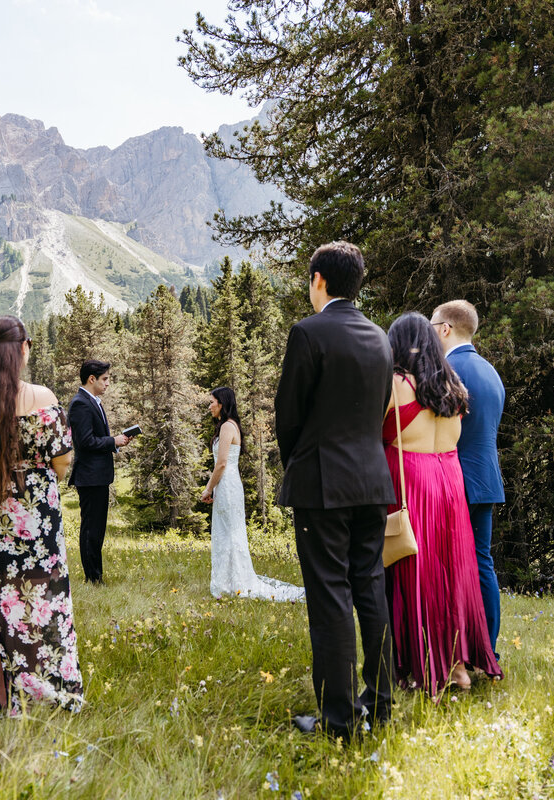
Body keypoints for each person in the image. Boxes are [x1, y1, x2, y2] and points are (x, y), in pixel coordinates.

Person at [275, 241, 396, 739]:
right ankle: (381, 702)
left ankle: (339, 719)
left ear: (319, 280)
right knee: (371, 588)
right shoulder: (380, 337)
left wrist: (298, 466)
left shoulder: (308, 333)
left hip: (323, 483)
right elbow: (380, 407)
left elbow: (289, 415)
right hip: (372, 481)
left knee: (330, 597)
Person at [0, 315, 82, 714]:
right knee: (37, 592)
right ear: (22, 349)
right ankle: (40, 685)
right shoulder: (41, 397)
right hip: (30, 511)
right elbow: (62, 460)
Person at [383, 312, 503, 695]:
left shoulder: (398, 384)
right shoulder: (453, 386)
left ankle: (418, 666)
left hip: (413, 481)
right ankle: (457, 667)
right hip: (450, 483)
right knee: (452, 576)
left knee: (415, 575)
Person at [431, 300, 505, 657]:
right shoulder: (491, 372)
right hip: (487, 479)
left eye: (432, 327)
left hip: (455, 479)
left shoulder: (446, 370)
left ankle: (456, 649)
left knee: (447, 567)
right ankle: (487, 649)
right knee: (482, 564)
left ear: (445, 328)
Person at [203, 387, 304, 602]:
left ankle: (235, 582)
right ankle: (230, 581)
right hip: (229, 483)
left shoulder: (227, 427)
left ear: (222, 403)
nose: (209, 406)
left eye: (212, 402)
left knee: (230, 533)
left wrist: (208, 488)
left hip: (226, 483)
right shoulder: (230, 425)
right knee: (228, 532)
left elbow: (221, 463)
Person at [66, 360, 130, 584]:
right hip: (89, 476)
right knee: (91, 529)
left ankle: (95, 576)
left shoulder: (93, 402)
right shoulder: (80, 403)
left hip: (97, 476)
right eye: (105, 379)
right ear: (91, 379)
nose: (108, 383)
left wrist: (116, 443)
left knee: (97, 529)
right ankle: (92, 578)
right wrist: (113, 441)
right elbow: (84, 441)